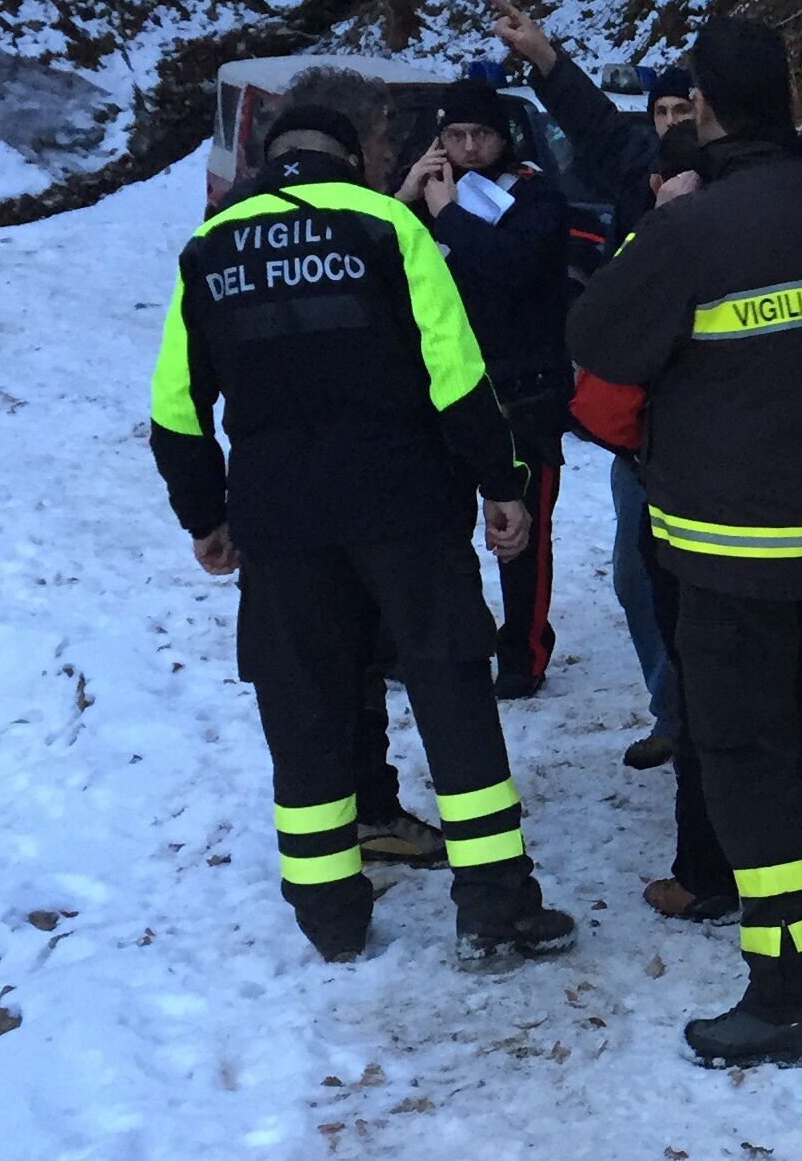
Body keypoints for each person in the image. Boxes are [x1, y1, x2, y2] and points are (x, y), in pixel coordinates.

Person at [147, 66, 575, 966]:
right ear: (356, 150)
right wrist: (502, 483)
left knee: (301, 704)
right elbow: (455, 374)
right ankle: (494, 900)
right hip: (405, 505)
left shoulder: (209, 249)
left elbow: (178, 410)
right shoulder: (389, 229)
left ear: (272, 157)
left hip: (279, 519)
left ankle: (328, 912)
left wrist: (203, 514)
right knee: (451, 687)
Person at [570, 18, 802, 1068]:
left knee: (749, 762)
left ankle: (786, 990)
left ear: (711, 112)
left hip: (731, 554)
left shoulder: (691, 232)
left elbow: (597, 339)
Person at [489, 0, 697, 757]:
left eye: (685, 108)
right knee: (635, 579)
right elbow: (595, 126)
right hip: (642, 432)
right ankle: (671, 712)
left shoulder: (731, 182)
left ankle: (712, 722)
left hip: (715, 428)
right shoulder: (643, 172)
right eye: (662, 108)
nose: (672, 121)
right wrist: (543, 56)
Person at [573, 126, 737, 924]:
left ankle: (705, 871)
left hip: (685, 506)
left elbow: (603, 394)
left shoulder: (660, 255)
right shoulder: (792, 237)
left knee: (706, 694)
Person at [397, 78, 574, 699]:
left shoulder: (536, 195)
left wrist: (450, 215)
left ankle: (524, 649)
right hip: (443, 387)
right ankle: (444, 635)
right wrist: (406, 196)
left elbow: (513, 267)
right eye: (456, 136)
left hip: (522, 387)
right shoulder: (423, 193)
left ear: (504, 138)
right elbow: (378, 256)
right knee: (434, 523)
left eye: (481, 135)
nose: (469, 148)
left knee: (522, 532)